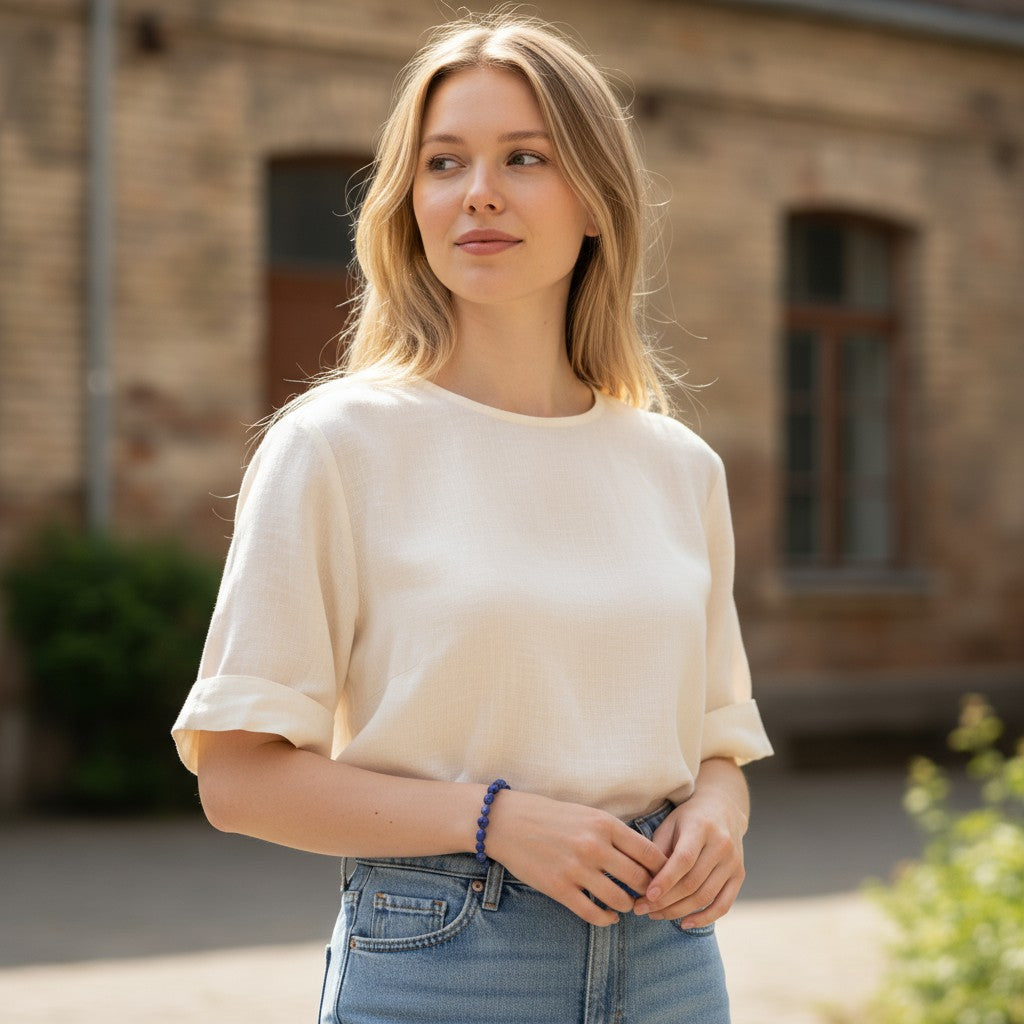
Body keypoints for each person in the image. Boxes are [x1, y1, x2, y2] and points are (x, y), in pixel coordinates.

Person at [172, 11, 773, 1023]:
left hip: (673, 961)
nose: (478, 191)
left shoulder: (677, 466)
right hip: (446, 954)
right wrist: (494, 822)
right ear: (409, 202)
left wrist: (718, 814)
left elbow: (715, 740)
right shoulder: (335, 445)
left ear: (596, 202)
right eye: (443, 162)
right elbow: (238, 780)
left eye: (525, 157)